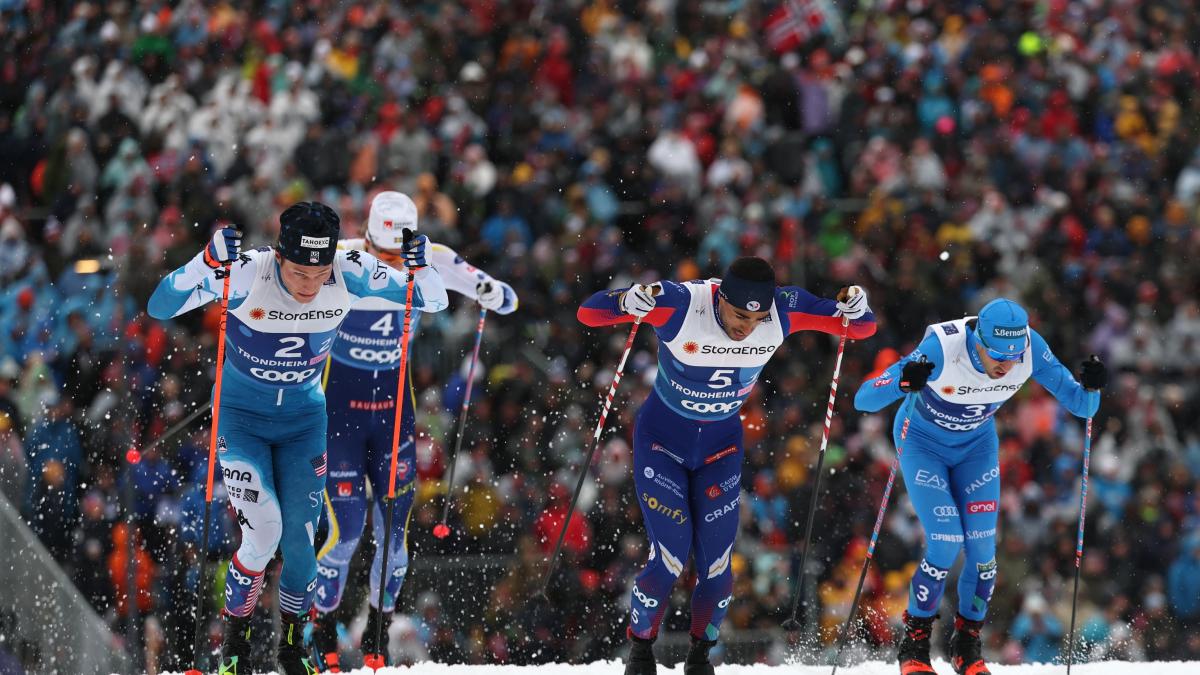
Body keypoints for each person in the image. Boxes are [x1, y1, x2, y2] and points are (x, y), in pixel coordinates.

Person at [147, 201, 448, 675]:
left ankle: (293, 648)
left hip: (305, 423)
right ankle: (234, 645)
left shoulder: (350, 269)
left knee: (303, 544)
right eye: (298, 274)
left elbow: (433, 299)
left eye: (318, 274)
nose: (310, 286)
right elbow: (160, 306)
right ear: (279, 258)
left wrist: (423, 264)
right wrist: (204, 262)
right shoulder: (248, 272)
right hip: (243, 422)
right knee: (263, 533)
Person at [576, 257, 876, 675]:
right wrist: (628, 300)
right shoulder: (682, 303)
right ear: (720, 299)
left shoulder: (784, 309)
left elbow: (861, 327)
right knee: (669, 560)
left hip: (720, 449)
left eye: (757, 318)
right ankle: (641, 649)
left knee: (717, 564)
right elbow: (589, 312)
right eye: (739, 315)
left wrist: (856, 307)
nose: (747, 327)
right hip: (661, 444)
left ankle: (701, 656)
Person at [310, 192, 518, 671]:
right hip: (340, 412)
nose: (388, 265)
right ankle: (321, 627)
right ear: (366, 234)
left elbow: (503, 297)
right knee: (344, 534)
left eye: (396, 255)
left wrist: (489, 291)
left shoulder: (429, 259)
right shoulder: (339, 255)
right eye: (380, 253)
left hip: (391, 413)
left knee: (395, 538)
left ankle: (378, 634)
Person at [853, 298, 1106, 675]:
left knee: (984, 554)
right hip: (923, 445)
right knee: (945, 541)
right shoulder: (943, 346)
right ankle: (915, 644)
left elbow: (1082, 407)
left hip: (977, 448)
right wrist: (906, 381)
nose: (1006, 366)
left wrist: (1093, 387)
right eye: (996, 356)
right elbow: (865, 398)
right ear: (977, 342)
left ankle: (967, 646)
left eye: (1014, 356)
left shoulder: (1030, 348)